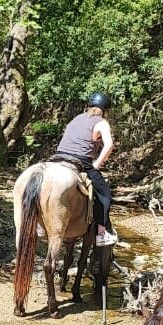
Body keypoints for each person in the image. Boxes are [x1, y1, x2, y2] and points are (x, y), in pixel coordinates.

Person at [55, 92, 118, 246]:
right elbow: (109, 145)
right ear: (105, 110)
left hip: (58, 156)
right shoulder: (102, 122)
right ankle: (101, 234)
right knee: (104, 194)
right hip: (80, 160)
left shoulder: (77, 118)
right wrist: (97, 164)